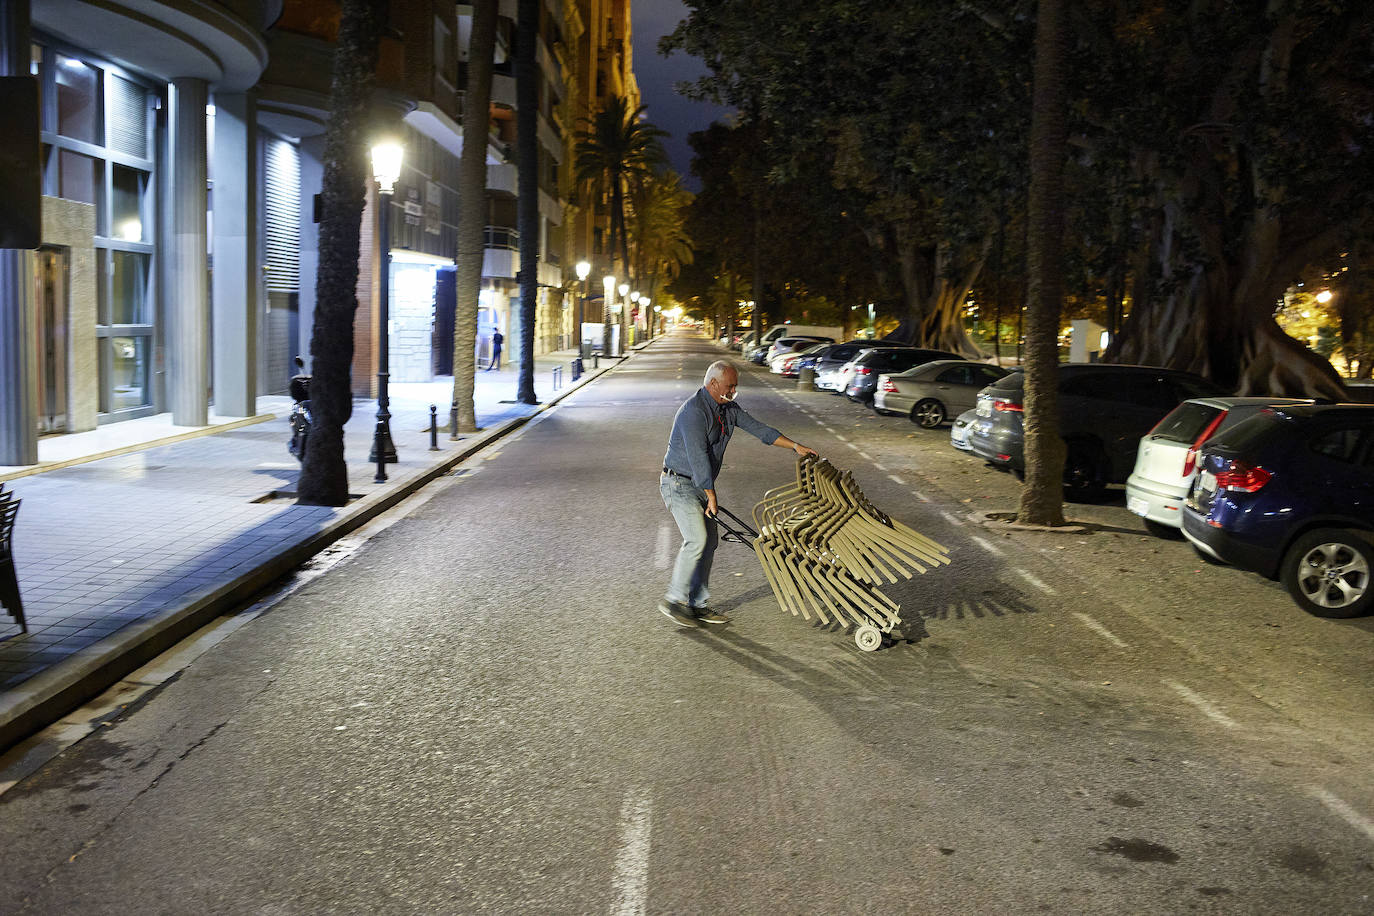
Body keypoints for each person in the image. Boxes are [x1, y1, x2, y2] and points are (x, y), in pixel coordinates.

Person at [659, 360, 818, 627]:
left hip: (701, 484)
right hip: (679, 484)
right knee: (697, 539)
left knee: (709, 544)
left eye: (735, 386)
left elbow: (760, 430)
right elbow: (698, 458)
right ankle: (673, 600)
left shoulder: (727, 410)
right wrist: (711, 494)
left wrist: (795, 446)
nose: (733, 390)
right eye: (729, 386)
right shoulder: (693, 412)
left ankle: (697, 605)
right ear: (713, 384)